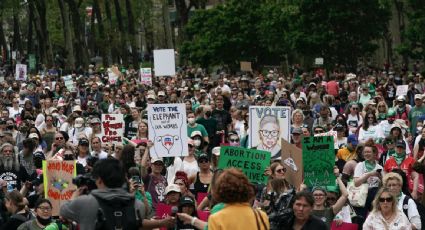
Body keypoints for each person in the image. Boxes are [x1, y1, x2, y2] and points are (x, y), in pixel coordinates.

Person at [60, 158, 174, 230]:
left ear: (99, 180)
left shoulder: (84, 203)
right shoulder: (137, 204)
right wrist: (160, 223)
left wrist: (76, 193)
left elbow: (63, 211)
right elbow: (139, 223)